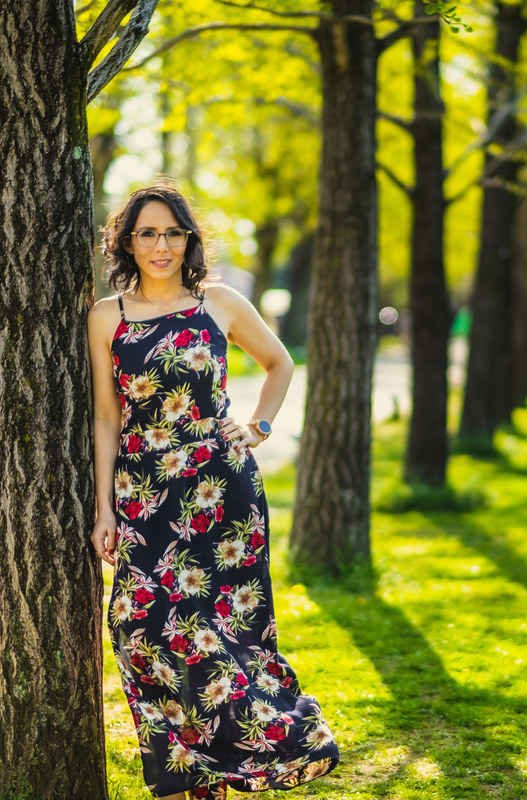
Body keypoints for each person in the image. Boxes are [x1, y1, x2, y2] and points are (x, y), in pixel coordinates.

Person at [87, 184, 340, 798]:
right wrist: (103, 510)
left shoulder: (219, 302)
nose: (161, 245)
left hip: (222, 492)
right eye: (147, 233)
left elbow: (280, 364)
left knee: (226, 631)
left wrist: (257, 427)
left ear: (189, 239)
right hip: (144, 494)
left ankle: (241, 757)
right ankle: (189, 768)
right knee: (138, 625)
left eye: (172, 233)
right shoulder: (106, 316)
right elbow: (104, 417)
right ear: (126, 241)